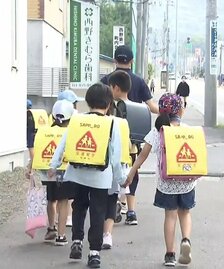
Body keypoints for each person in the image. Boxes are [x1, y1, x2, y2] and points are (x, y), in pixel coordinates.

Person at [49, 83, 124, 268]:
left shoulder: (76, 120)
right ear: (108, 104)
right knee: (98, 212)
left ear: (88, 102)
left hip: (77, 174)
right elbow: (115, 156)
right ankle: (94, 253)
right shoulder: (111, 123)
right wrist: (121, 179)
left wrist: (53, 165)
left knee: (79, 207)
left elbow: (63, 144)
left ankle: (76, 241)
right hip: (101, 178)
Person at [123, 93, 195, 267]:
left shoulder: (158, 131)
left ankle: (170, 255)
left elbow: (143, 155)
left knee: (170, 216)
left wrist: (131, 172)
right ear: (181, 111)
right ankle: (186, 240)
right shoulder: (187, 130)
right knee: (184, 213)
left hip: (166, 183)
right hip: (187, 181)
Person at [101, 45, 159, 225]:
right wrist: (170, 114)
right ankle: (131, 211)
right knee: (132, 171)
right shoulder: (139, 82)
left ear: (114, 60)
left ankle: (111, 207)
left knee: (109, 171)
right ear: (131, 61)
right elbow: (152, 107)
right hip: (132, 139)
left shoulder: (105, 80)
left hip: (108, 135)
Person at [28, 100, 76, 245]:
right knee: (63, 201)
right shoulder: (70, 132)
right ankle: (61, 236)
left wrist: (29, 168)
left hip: (45, 171)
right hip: (64, 171)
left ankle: (51, 228)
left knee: (51, 199)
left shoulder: (44, 131)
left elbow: (37, 151)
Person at [102, 70, 133, 249]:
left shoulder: (105, 118)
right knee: (112, 199)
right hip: (120, 163)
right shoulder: (128, 114)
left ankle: (98, 235)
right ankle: (107, 235)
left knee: (99, 201)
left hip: (100, 164)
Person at [56, 89, 84, 227]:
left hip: (56, 164)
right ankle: (67, 217)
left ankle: (60, 218)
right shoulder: (77, 118)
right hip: (71, 160)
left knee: (59, 194)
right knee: (70, 192)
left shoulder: (54, 117)